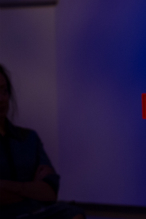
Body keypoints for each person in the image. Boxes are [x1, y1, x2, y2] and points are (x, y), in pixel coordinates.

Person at [0, 64, 84, 219]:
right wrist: (33, 187)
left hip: (37, 211)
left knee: (73, 214)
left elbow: (50, 192)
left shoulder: (28, 138)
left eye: (4, 91)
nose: (1, 99)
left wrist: (6, 185)